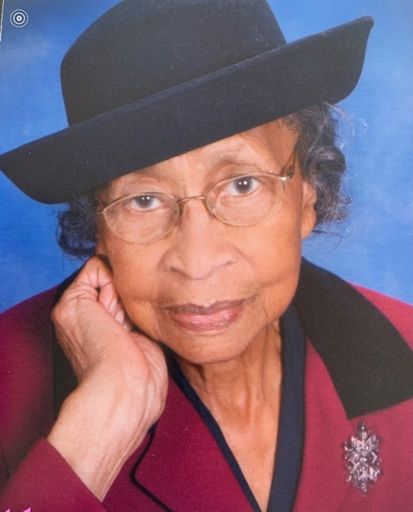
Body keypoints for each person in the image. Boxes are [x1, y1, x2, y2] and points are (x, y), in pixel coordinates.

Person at [0, 1, 412, 511]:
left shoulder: (403, 345)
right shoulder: (9, 383)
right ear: (97, 228)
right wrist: (98, 430)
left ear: (308, 195)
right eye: (143, 200)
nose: (198, 262)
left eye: (243, 184)